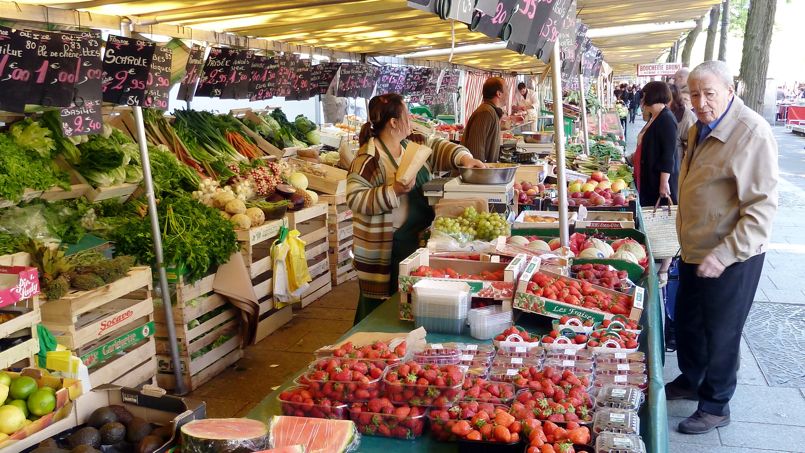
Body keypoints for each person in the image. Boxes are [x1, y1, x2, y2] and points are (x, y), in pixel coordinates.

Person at [668, 61, 778, 435]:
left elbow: (761, 208)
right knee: (688, 320)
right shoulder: (699, 126)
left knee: (722, 330)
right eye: (693, 94)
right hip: (696, 247)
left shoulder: (751, 133)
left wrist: (726, 254)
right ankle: (692, 377)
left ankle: (716, 403)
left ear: (731, 91)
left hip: (731, 254)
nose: (699, 101)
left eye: (708, 93)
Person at [347, 93, 485, 324]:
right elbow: (355, 199)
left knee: (411, 301)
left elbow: (439, 146)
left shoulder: (413, 144)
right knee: (382, 308)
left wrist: (464, 158)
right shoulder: (368, 159)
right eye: (406, 114)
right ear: (393, 122)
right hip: (388, 247)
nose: (411, 118)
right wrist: (393, 190)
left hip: (418, 238)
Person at [633, 81, 679, 206]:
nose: (642, 99)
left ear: (652, 95)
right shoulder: (654, 116)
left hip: (657, 181)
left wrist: (664, 183)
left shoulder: (667, 119)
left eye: (644, 95)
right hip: (648, 176)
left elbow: (668, 155)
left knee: (654, 215)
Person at [462, 77, 506, 163]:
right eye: (507, 89)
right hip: (478, 174)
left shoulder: (491, 111)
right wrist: (482, 174)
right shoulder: (486, 112)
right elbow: (476, 151)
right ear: (499, 94)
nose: (508, 93)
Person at [669, 84, 697, 161]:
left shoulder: (688, 117)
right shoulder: (668, 113)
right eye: (681, 98)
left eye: (686, 99)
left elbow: (691, 148)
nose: (683, 102)